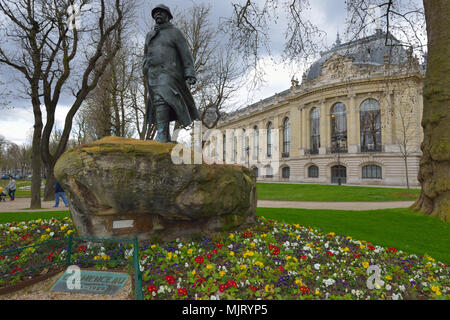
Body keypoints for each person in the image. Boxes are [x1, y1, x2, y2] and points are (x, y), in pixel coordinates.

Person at [143, 4, 199, 142]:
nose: (157, 15)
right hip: (153, 74)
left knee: (162, 97)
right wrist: (144, 66)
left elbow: (185, 53)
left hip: (169, 73)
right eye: (155, 14)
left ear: (168, 16)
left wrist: (190, 72)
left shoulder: (175, 32)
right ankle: (165, 134)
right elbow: (146, 53)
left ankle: (161, 133)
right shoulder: (150, 35)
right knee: (157, 101)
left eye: (161, 13)